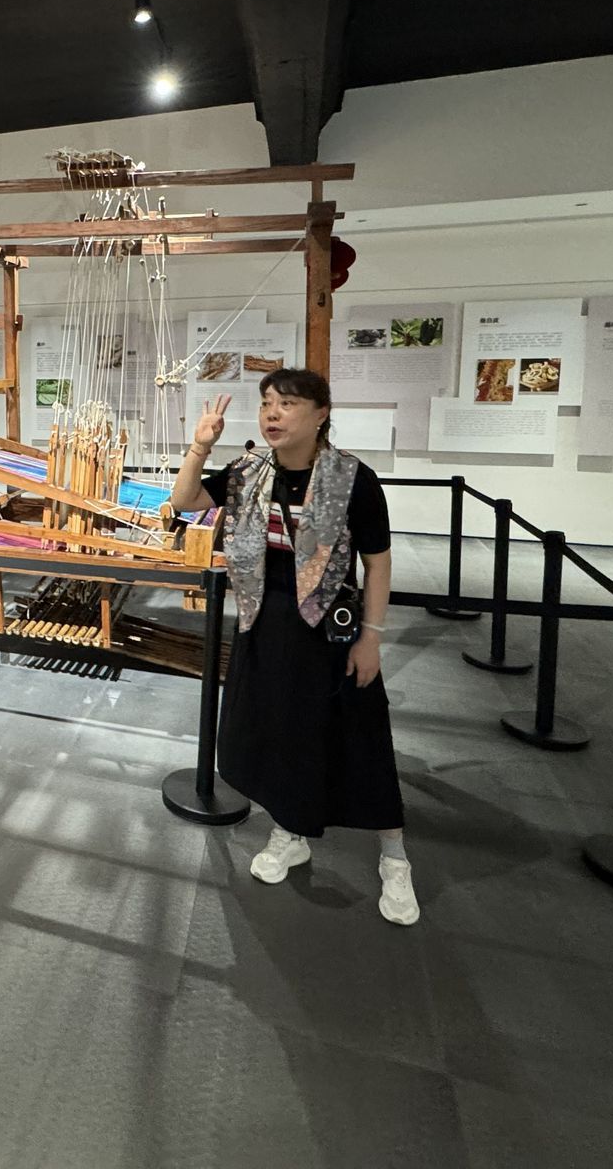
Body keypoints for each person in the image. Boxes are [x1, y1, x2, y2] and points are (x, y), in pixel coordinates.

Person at [158, 367, 419, 926]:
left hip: (331, 626)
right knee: (278, 731)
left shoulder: (353, 478)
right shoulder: (251, 471)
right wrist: (200, 447)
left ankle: (394, 857)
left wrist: (372, 638)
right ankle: (289, 831)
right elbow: (184, 502)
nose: (273, 414)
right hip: (264, 619)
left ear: (321, 414)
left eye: (289, 404)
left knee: (358, 735)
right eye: (267, 403)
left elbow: (377, 564)